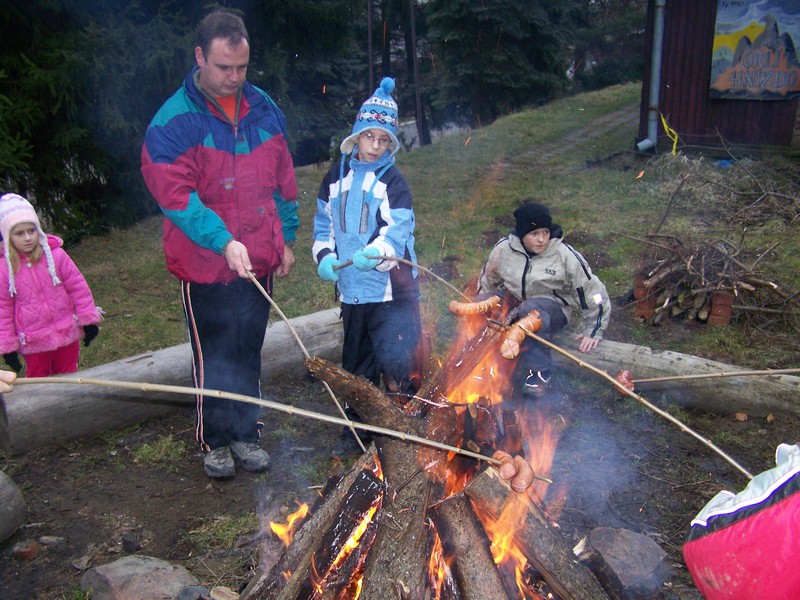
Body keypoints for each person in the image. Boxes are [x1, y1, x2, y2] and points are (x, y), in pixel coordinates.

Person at [141, 9, 299, 479]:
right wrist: (223, 240)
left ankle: (247, 433)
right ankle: (214, 440)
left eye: (242, 68)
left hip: (259, 258)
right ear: (199, 58)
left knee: (249, 347)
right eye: (223, 68)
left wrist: (286, 237)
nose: (234, 78)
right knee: (213, 354)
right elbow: (176, 198)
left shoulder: (264, 109)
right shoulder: (172, 123)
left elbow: (283, 180)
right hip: (205, 263)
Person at [312, 77, 423, 453]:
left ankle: (403, 428)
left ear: (391, 144)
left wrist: (378, 252)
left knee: (397, 358)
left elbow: (399, 228)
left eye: (383, 140)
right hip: (354, 292)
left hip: (392, 289)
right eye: (369, 137)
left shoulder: (393, 181)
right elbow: (323, 223)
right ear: (356, 136)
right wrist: (325, 256)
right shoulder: (336, 178)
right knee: (356, 363)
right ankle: (357, 432)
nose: (375, 146)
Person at [477, 201, 611, 397]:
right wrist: (481, 308)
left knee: (530, 310)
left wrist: (594, 328)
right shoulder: (504, 250)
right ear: (522, 234)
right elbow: (487, 280)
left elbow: (593, 291)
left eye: (545, 233)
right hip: (516, 305)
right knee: (488, 300)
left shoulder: (563, 255)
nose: (541, 239)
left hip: (551, 311)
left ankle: (540, 372)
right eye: (534, 234)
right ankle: (485, 359)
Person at [0, 193, 102, 377]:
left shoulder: (56, 255)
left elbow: (78, 288)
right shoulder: (5, 269)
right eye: (19, 233)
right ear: (8, 237)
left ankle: (71, 405)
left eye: (31, 231)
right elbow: (3, 309)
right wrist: (8, 345)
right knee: (39, 377)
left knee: (68, 373)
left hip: (66, 330)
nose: (27, 238)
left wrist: (88, 320)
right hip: (33, 338)